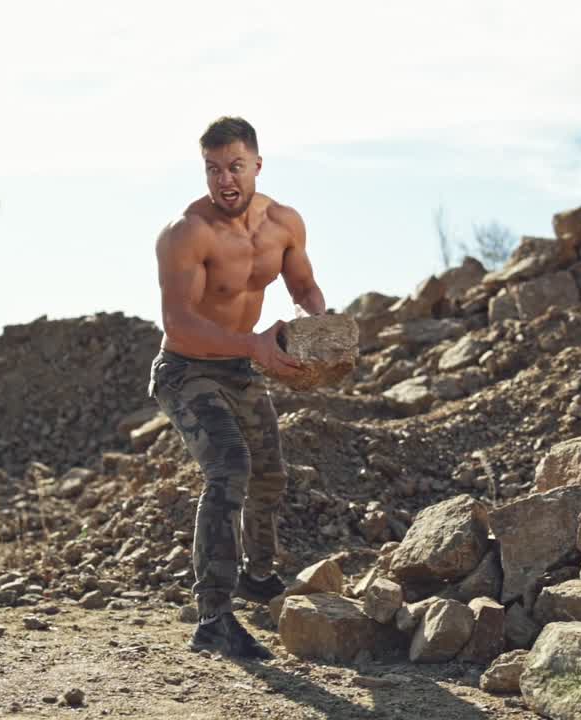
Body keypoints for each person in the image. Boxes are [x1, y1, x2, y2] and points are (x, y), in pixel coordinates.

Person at [148, 116, 327, 659]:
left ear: (257, 164)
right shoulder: (187, 233)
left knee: (270, 475)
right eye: (212, 169)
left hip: (240, 366)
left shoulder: (284, 223)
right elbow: (178, 324)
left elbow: (304, 287)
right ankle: (214, 618)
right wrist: (253, 345)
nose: (224, 180)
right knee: (229, 470)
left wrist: (318, 331)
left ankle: (258, 576)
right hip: (186, 368)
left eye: (235, 167)